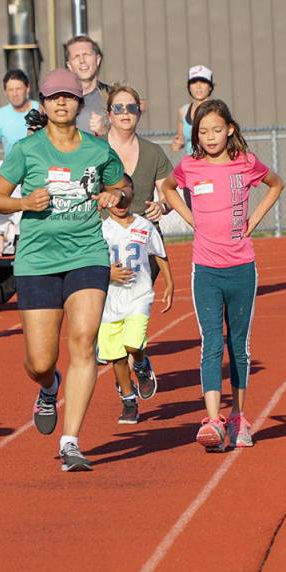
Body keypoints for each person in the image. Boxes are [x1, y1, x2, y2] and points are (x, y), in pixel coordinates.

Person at [0, 68, 130, 472]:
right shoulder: (26, 150)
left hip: (87, 255)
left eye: (68, 97)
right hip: (37, 262)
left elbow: (124, 186)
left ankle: (71, 442)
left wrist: (114, 194)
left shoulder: (98, 150)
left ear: (79, 103)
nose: (61, 103)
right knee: (40, 361)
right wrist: (23, 204)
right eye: (53, 98)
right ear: (44, 105)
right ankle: (49, 387)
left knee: (84, 342)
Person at [161, 99, 285, 452]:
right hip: (206, 271)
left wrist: (255, 220)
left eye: (217, 129)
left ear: (230, 129)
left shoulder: (245, 163)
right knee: (211, 344)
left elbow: (276, 184)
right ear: (195, 135)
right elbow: (168, 187)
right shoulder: (190, 165)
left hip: (242, 268)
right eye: (203, 131)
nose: (210, 137)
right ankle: (213, 420)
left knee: (239, 347)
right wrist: (189, 217)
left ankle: (238, 417)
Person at [98, 174, 174, 424]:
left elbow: (159, 253)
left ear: (132, 192)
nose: (120, 198)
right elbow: (88, 262)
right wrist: (108, 271)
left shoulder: (144, 225)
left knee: (132, 345)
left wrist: (169, 283)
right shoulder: (100, 230)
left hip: (139, 296)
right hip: (109, 302)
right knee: (116, 356)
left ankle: (141, 366)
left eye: (124, 191)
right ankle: (128, 399)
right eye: (113, 192)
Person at [104, 83, 173, 282]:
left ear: (139, 113)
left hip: (142, 242)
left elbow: (169, 193)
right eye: (118, 108)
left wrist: (162, 206)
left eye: (132, 108)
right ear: (109, 115)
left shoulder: (153, 152)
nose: (125, 113)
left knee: (137, 306)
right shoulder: (94, 148)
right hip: (105, 242)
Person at [0, 69, 41, 161]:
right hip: (12, 171)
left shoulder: (40, 110)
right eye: (10, 90)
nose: (15, 94)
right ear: (5, 92)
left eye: (18, 89)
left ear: (28, 88)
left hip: (39, 169)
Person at [64, 35, 111, 136]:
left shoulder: (114, 97)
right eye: (76, 56)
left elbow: (128, 137)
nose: (82, 61)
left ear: (98, 60)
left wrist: (106, 130)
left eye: (86, 54)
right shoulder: (58, 100)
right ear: (69, 66)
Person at [171, 65, 215, 154]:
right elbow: (181, 140)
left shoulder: (217, 110)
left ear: (210, 86)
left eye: (203, 82)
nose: (198, 86)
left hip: (213, 164)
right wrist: (177, 144)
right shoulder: (183, 111)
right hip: (191, 164)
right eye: (194, 82)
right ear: (189, 87)